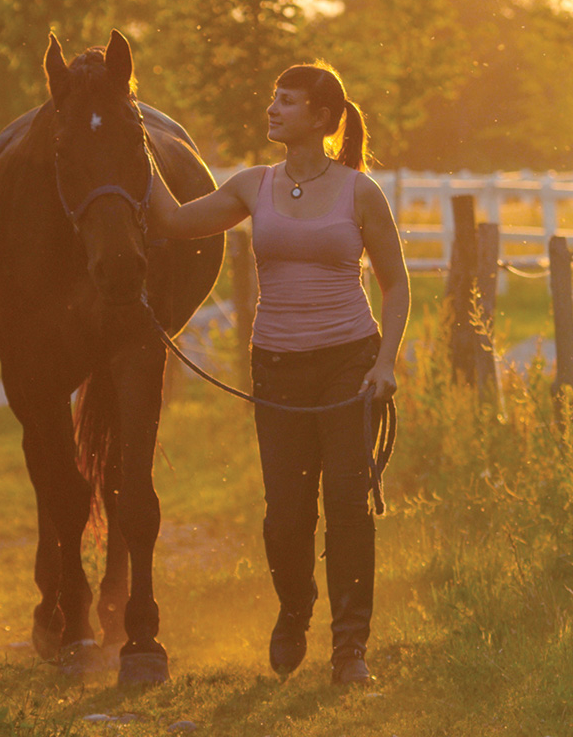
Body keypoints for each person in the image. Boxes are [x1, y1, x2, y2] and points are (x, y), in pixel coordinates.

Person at [148, 62, 410, 685]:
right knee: (286, 514)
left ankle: (350, 649)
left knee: (347, 506)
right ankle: (295, 611)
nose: (273, 110)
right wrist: (137, 153)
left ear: (321, 119)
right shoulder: (251, 186)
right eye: (274, 99)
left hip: (348, 361)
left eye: (287, 102)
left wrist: (384, 363)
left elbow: (397, 283)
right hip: (276, 366)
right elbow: (175, 221)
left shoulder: (359, 191)